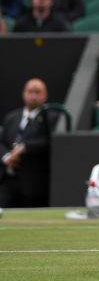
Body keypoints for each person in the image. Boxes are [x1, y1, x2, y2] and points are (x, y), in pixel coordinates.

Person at [0, 78, 59, 207]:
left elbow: (50, 142)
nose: (33, 96)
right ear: (24, 93)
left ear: (45, 95)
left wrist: (25, 148)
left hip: (33, 183)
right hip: (7, 179)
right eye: (30, 91)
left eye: (38, 92)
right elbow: (2, 142)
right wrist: (7, 156)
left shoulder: (51, 117)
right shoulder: (11, 117)